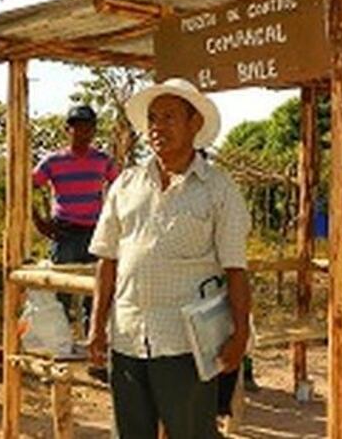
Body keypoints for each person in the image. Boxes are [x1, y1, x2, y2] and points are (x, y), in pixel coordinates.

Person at [87, 78, 252, 439]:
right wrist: (97, 326)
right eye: (153, 118)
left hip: (186, 344)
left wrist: (241, 333)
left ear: (195, 124)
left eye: (170, 117)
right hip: (128, 337)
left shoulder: (218, 189)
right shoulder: (126, 184)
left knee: (191, 433)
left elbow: (236, 269)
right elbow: (107, 261)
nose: (158, 127)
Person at [32, 104, 118, 326]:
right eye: (77, 127)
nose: (83, 133)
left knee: (97, 294)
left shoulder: (102, 160)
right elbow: (25, 187)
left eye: (88, 128)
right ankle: (60, 346)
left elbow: (121, 188)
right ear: (67, 130)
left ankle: (94, 347)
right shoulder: (52, 161)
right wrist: (39, 221)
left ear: (93, 130)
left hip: (96, 233)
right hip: (65, 233)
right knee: (61, 294)